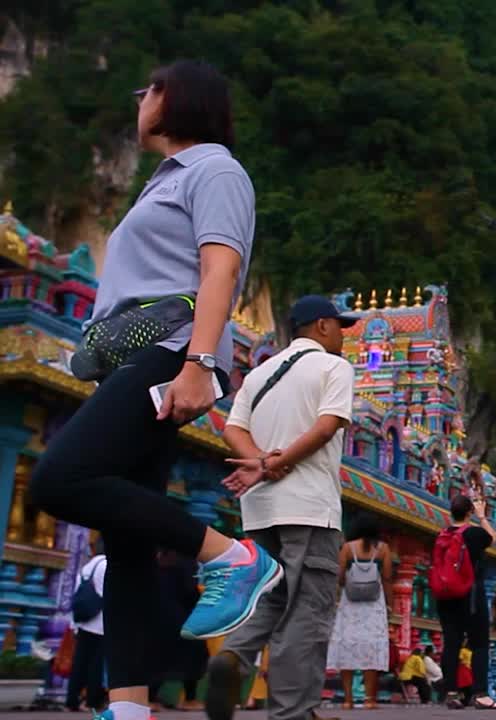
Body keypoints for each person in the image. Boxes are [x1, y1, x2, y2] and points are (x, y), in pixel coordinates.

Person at [29, 60, 281, 720]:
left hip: (168, 356)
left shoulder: (215, 170)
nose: (141, 97)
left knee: (59, 478)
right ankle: (130, 706)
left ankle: (233, 557)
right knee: (128, 543)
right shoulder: (165, 182)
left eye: (153, 88)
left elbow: (219, 265)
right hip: (134, 359)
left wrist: (199, 363)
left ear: (184, 98)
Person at [205, 294, 356, 720]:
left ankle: (232, 657)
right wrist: (277, 463)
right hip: (309, 507)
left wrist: (260, 463)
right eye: (339, 327)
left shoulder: (258, 374)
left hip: (260, 509)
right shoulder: (333, 367)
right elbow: (328, 426)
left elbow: (231, 429)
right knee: (307, 611)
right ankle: (293, 712)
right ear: (322, 326)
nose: (342, 337)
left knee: (273, 599)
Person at [438, 493, 496, 709]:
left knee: (451, 643)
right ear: (469, 512)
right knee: (479, 643)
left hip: (446, 595)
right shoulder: (474, 534)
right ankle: (480, 693)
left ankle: (451, 692)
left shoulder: (443, 534)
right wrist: (482, 517)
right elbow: (495, 540)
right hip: (471, 594)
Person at [327, 515, 392, 708]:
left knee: (348, 644)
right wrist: (390, 604)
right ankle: (369, 699)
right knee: (371, 647)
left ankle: (347, 700)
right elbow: (387, 577)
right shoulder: (383, 549)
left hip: (350, 603)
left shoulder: (348, 548)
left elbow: (339, 576)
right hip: (374, 604)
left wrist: (348, 585)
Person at [150, 549, 207, 711]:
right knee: (193, 658)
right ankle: (189, 699)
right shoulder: (186, 562)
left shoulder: (157, 561)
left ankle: (150, 698)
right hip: (184, 618)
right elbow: (190, 591)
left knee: (159, 659)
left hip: (159, 618)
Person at [66, 549, 107, 712]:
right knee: (95, 664)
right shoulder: (106, 566)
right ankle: (91, 701)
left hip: (84, 621)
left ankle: (71, 700)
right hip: (101, 622)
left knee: (80, 662)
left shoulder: (88, 566)